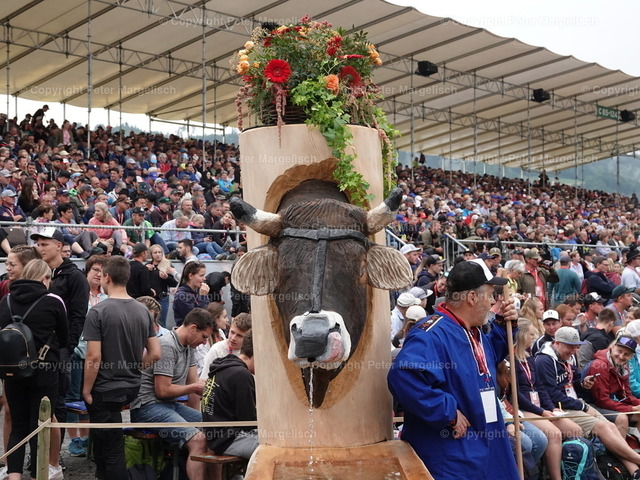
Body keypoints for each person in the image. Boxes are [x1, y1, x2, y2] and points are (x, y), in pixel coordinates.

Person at [388, 259, 519, 480]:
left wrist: (504, 325)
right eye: (489, 295)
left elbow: (487, 358)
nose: (492, 302)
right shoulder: (431, 333)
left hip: (485, 444)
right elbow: (403, 376)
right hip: (453, 455)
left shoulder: (472, 330)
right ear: (472, 297)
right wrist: (447, 411)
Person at [82, 256, 161, 480]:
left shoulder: (98, 311)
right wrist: (134, 367)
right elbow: (155, 353)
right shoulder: (143, 311)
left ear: (107, 277)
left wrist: (86, 390)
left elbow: (93, 356)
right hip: (130, 386)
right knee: (103, 441)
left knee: (112, 448)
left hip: (105, 388)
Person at [535, 326, 640, 477]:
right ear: (557, 343)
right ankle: (636, 461)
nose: (573, 350)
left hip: (574, 402)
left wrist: (583, 382)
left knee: (611, 426)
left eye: (576, 346)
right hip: (560, 407)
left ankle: (634, 470)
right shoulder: (544, 360)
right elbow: (552, 395)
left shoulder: (569, 356)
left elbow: (575, 381)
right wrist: (583, 406)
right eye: (570, 346)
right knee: (605, 427)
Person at [0, 259, 68, 480]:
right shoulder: (53, 301)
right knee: (40, 427)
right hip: (45, 370)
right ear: (45, 278)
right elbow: (65, 338)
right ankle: (39, 475)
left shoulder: (6, 300)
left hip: (13, 371)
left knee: (18, 426)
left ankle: (14, 476)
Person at [130, 308, 213, 480]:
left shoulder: (189, 346)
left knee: (214, 428)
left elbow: (194, 385)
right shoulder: (167, 345)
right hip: (147, 407)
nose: (204, 342)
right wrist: (194, 388)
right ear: (193, 328)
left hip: (169, 405)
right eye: (204, 337)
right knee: (197, 440)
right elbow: (163, 390)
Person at [513, 319, 581, 480]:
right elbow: (517, 395)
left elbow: (540, 387)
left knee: (575, 429)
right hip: (524, 408)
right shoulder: (510, 359)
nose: (534, 337)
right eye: (531, 334)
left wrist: (551, 408)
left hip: (538, 406)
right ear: (521, 335)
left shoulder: (529, 357)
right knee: (554, 433)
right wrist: (542, 412)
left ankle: (570, 473)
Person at [66, 255, 108, 458]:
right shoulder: (78, 294)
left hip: (97, 355)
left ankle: (85, 437)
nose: (99, 274)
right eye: (95, 270)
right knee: (72, 397)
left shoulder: (108, 297)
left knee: (90, 396)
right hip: (76, 352)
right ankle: (73, 439)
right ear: (87, 272)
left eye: (102, 271)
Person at [202, 330, 257, 459]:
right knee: (276, 448)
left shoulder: (225, 366)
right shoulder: (242, 375)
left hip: (217, 438)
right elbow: (248, 422)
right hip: (229, 440)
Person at [200, 313, 252, 380]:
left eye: (239, 336)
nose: (233, 338)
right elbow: (204, 379)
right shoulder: (216, 350)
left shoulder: (251, 354)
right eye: (232, 332)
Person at [147, 244, 178, 328]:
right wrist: (146, 271)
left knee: (161, 322)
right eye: (155, 252)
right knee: (149, 322)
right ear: (151, 254)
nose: (158, 254)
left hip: (162, 297)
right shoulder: (148, 266)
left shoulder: (168, 264)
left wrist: (166, 278)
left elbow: (174, 283)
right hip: (150, 298)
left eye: (160, 252)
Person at [173, 261, 210, 326]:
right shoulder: (181, 295)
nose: (204, 278)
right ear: (190, 276)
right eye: (201, 275)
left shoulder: (196, 291)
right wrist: (203, 297)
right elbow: (197, 318)